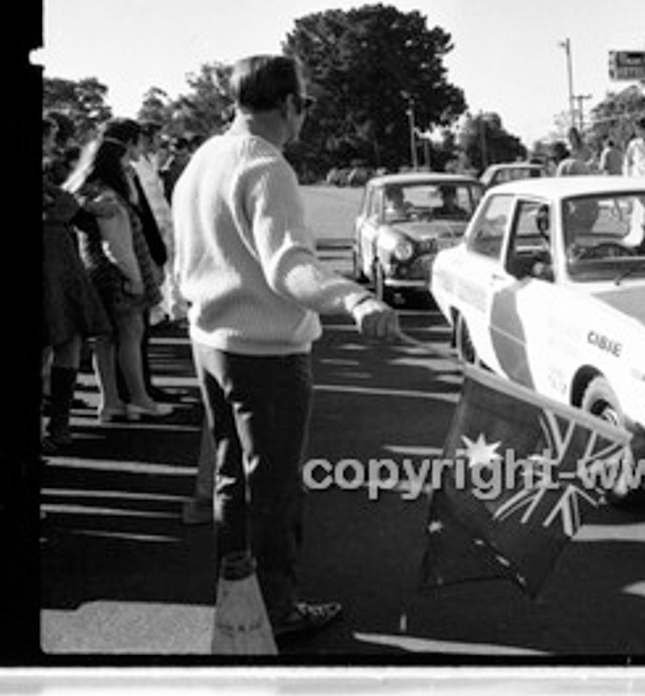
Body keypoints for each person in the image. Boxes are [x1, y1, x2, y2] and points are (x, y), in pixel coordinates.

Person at [171, 54, 401, 641]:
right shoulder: (266, 167)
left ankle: (237, 594)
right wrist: (353, 298)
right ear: (287, 105)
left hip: (211, 342)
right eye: (306, 103)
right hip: (263, 357)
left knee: (232, 481)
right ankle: (276, 610)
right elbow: (288, 268)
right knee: (272, 492)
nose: (306, 116)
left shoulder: (204, 157)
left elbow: (186, 252)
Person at [64, 130, 171, 422]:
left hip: (96, 273)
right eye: (124, 163)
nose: (128, 169)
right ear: (113, 165)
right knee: (130, 335)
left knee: (104, 341)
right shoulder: (109, 196)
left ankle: (110, 402)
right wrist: (135, 278)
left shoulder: (83, 193)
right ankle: (140, 399)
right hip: (119, 275)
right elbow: (118, 246)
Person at [43, 115, 114, 448]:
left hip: (62, 262)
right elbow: (64, 205)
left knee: (67, 341)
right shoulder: (51, 171)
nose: (53, 144)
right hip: (53, 262)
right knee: (56, 343)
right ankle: (56, 427)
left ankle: (59, 426)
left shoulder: (53, 171)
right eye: (50, 137)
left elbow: (67, 204)